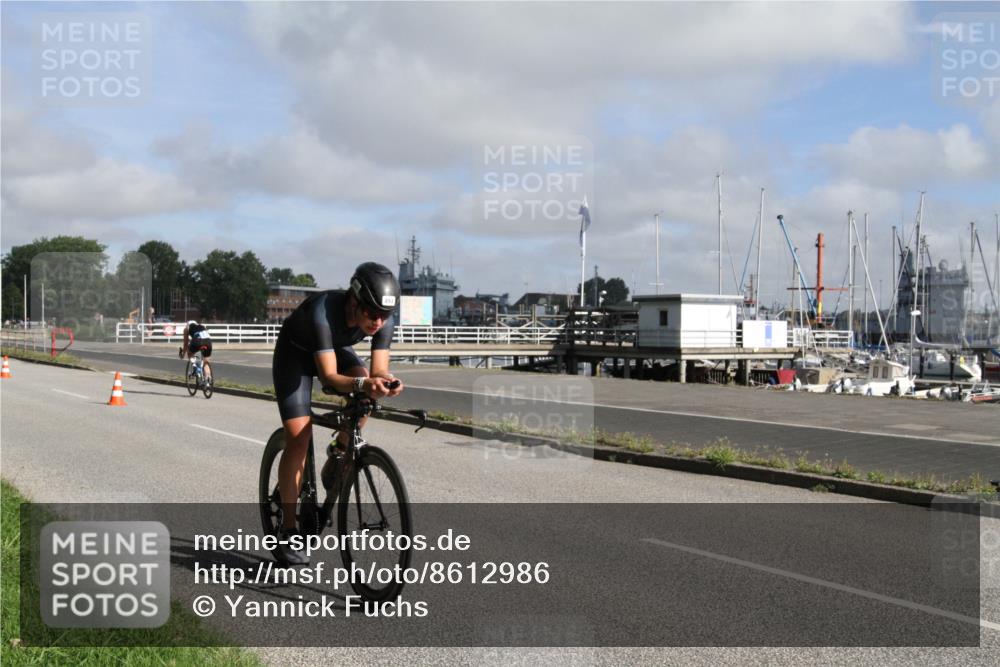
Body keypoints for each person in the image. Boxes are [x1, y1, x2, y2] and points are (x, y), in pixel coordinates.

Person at [271, 262, 403, 565]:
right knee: (299, 438)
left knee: (367, 396)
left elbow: (378, 369)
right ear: (354, 301)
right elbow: (329, 377)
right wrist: (363, 381)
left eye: (384, 315)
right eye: (372, 314)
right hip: (295, 356)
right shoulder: (323, 311)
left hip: (333, 349)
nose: (378, 322)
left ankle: (339, 450)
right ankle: (289, 529)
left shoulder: (382, 319)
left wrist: (383, 382)